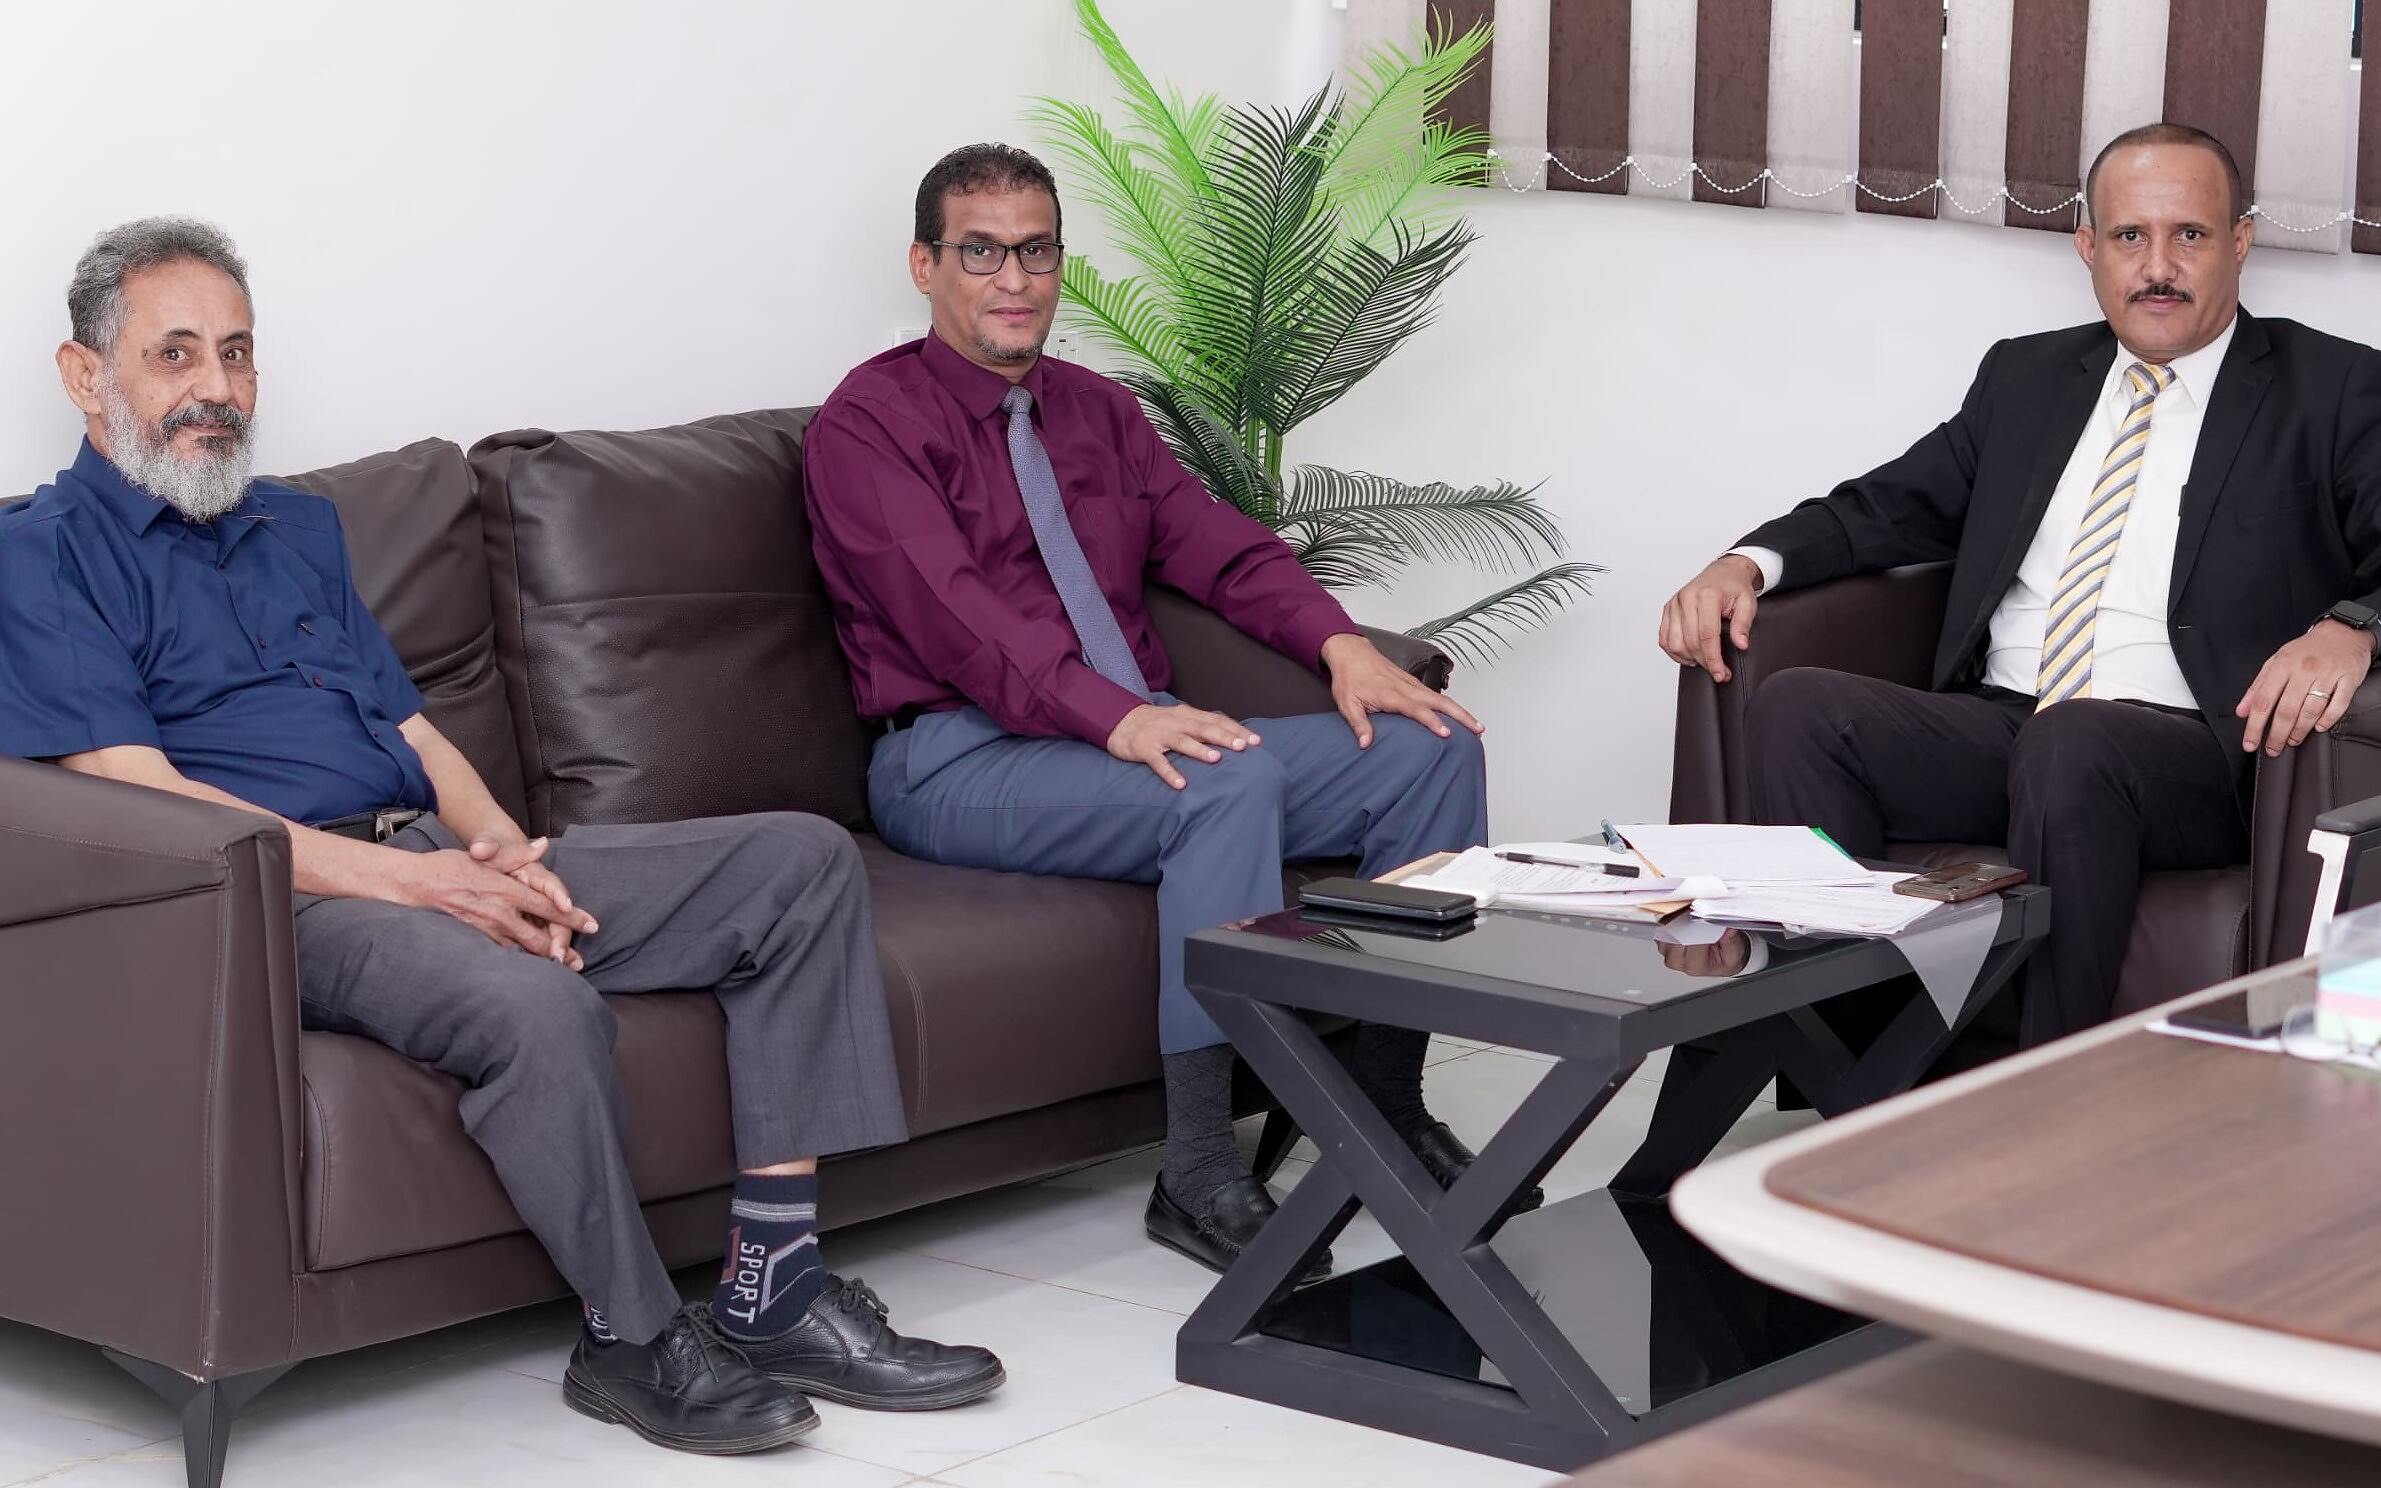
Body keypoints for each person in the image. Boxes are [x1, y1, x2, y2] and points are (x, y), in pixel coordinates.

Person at [0, 218, 1004, 1457]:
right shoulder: (40, 558)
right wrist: (423, 887)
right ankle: (631, 1338)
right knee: (538, 1006)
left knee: (798, 865)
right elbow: (146, 803)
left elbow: (413, 731)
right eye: (177, 354)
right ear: (85, 374)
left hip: (427, 851)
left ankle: (776, 1289)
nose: (217, 386)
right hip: (277, 904)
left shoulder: (295, 530)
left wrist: (503, 858)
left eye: (238, 352)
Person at [803, 144, 1505, 1280]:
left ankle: (1382, 1105)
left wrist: (1341, 646)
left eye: (1036, 250)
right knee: (1221, 779)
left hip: (1122, 737)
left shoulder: (1099, 412)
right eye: (979, 252)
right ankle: (1196, 1169)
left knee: (1426, 749)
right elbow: (953, 617)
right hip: (956, 758)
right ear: (924, 265)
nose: (1013, 279)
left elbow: (1218, 547)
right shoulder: (867, 423)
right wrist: (1116, 717)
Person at [1657, 122, 2381, 1046]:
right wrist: (1744, 562)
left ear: (2239, 241)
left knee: (2071, 742)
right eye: (2129, 236)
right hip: (2008, 723)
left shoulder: (2330, 388)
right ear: (2087, 247)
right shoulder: (2027, 378)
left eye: (2189, 235)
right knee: (1801, 710)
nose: (2157, 267)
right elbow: (1887, 506)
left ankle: (2045, 1087)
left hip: (2198, 752)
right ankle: (1853, 1066)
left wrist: (2351, 626)